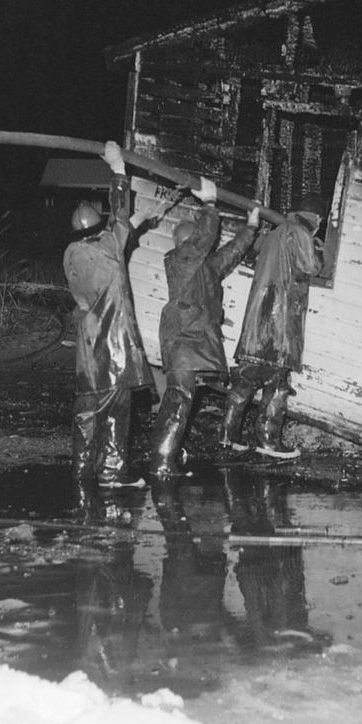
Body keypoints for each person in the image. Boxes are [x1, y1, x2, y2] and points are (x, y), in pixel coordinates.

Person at [150, 177, 260, 477]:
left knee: (181, 400)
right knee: (178, 401)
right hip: (183, 341)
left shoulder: (205, 268)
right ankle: (161, 463)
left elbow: (231, 252)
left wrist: (251, 227)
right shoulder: (180, 260)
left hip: (190, 341)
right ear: (187, 243)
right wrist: (209, 204)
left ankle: (166, 455)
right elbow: (206, 238)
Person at [63, 141, 156, 492]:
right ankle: (114, 472)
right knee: (117, 412)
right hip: (113, 349)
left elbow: (118, 228)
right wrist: (118, 169)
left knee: (87, 413)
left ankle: (83, 470)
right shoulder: (108, 248)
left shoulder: (71, 254)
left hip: (87, 350)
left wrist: (138, 221)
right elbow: (118, 219)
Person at [220, 193, 325, 459]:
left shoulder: (275, 233)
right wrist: (319, 249)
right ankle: (268, 442)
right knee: (277, 384)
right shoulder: (300, 233)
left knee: (244, 382)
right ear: (316, 218)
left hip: (256, 323)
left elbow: (256, 251)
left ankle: (227, 437)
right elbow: (312, 266)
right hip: (278, 327)